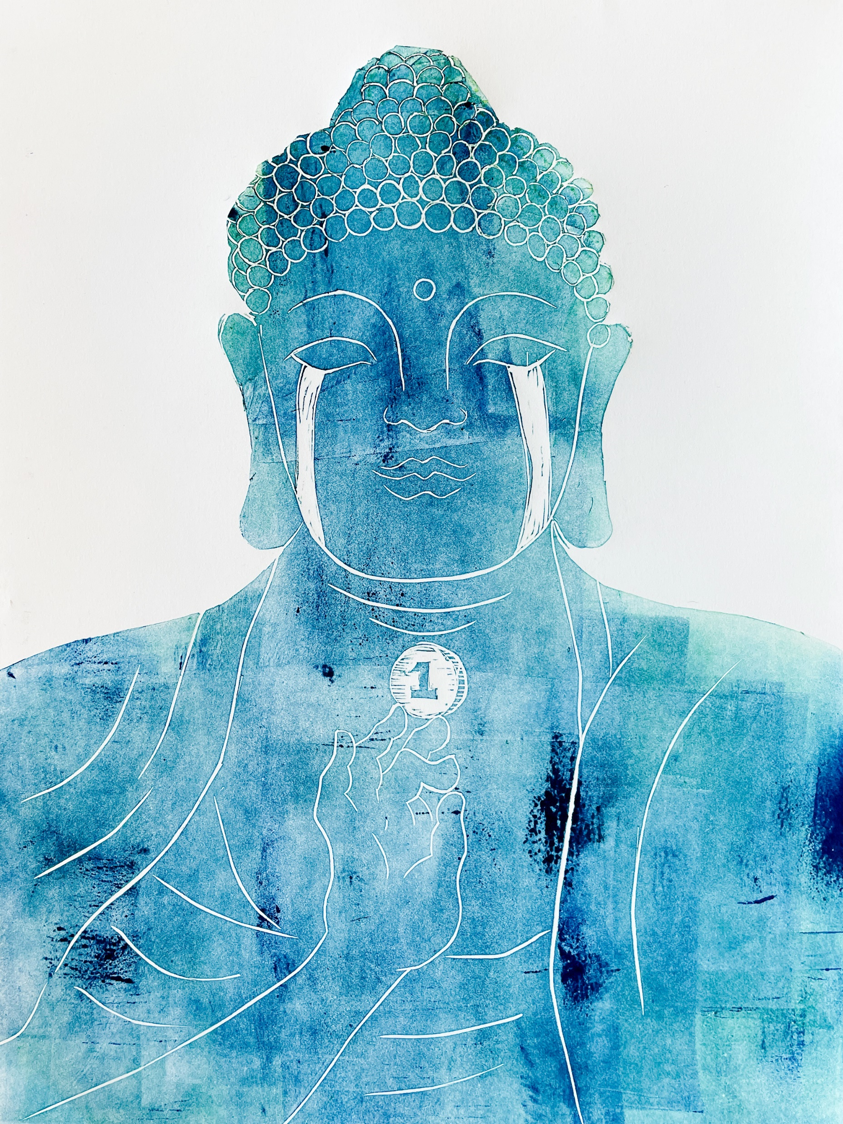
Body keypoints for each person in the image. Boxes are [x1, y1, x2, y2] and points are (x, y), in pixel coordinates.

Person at [1, 44, 841, 1124]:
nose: (428, 408)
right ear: (262, 400)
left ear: (585, 397)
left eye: (498, 349)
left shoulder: (776, 730)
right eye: (347, 355)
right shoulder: (57, 742)